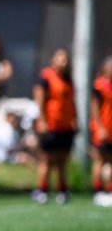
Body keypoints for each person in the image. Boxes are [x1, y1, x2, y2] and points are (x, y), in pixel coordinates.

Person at [32, 48, 77, 205]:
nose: (63, 62)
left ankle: (62, 190)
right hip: (50, 124)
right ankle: (42, 190)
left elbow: (71, 102)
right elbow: (40, 99)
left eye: (65, 59)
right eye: (60, 58)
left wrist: (74, 119)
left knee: (62, 161)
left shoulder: (68, 80)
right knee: (47, 160)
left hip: (65, 126)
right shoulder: (46, 77)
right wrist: (43, 120)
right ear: (53, 60)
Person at [90, 56, 112, 206]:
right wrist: (100, 127)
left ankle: (109, 190)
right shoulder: (99, 85)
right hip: (102, 129)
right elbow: (95, 109)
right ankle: (97, 191)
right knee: (100, 160)